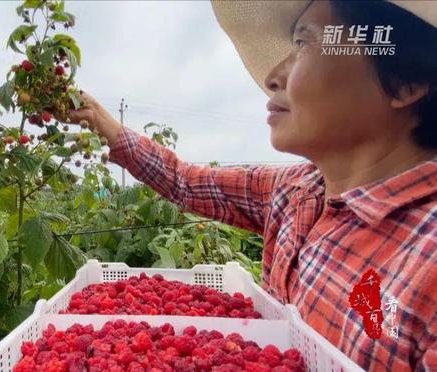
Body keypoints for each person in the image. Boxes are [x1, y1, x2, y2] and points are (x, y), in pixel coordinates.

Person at [66, 1, 436, 371]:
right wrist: (101, 122)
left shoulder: (427, 261)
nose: (273, 77)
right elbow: (186, 182)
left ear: (405, 82)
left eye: (304, 45)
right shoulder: (295, 190)